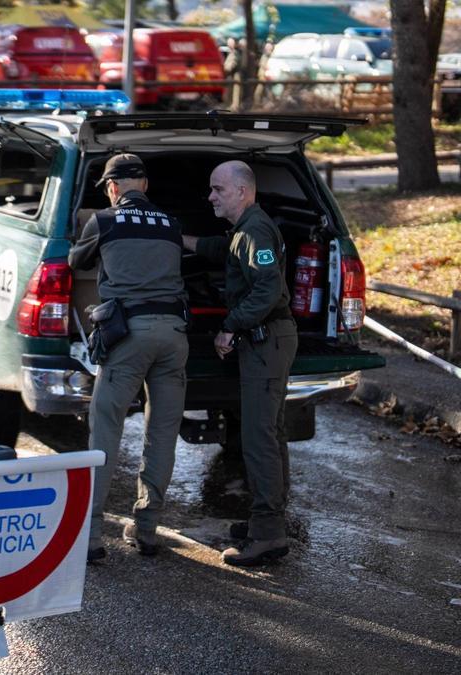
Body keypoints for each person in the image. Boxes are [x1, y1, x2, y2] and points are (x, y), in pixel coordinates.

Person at [69, 154, 189, 562]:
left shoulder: (103, 221)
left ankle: (89, 538)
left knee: (105, 429)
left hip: (129, 336)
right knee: (162, 433)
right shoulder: (171, 225)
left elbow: (76, 262)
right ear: (145, 185)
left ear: (113, 188)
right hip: (174, 336)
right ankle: (147, 528)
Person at [182, 160, 297, 567]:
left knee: (260, 438)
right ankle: (266, 521)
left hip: (266, 342)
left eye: (218, 189)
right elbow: (224, 248)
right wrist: (184, 240)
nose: (211, 196)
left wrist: (229, 326)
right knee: (270, 433)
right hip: (266, 342)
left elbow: (268, 288)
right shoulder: (245, 231)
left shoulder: (256, 230)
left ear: (242, 191)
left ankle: (268, 534)